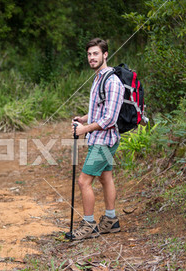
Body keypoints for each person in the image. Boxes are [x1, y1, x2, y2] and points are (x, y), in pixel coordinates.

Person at [70, 38, 124, 240]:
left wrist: (84, 129)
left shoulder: (112, 81)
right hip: (101, 138)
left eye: (95, 54)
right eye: (89, 54)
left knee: (84, 181)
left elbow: (110, 118)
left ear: (105, 54)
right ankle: (111, 221)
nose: (92, 58)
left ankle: (89, 225)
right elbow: (100, 111)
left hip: (103, 141)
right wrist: (83, 119)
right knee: (105, 177)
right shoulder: (98, 79)